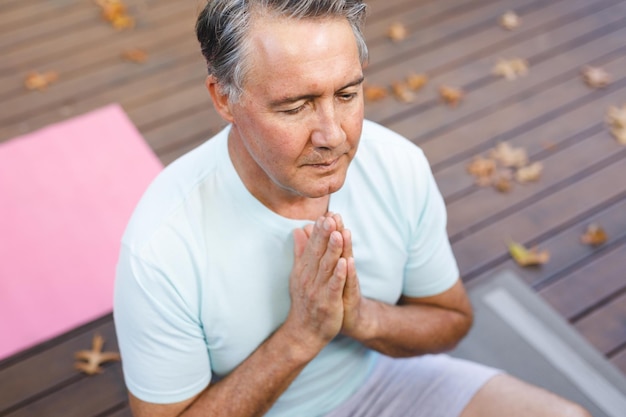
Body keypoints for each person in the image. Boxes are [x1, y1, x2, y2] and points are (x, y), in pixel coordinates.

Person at [113, 1, 591, 416]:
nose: (333, 136)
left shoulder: (398, 165)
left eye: (346, 95)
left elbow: (451, 321)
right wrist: (301, 335)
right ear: (225, 99)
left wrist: (361, 318)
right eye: (294, 107)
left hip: (382, 385)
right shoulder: (161, 245)